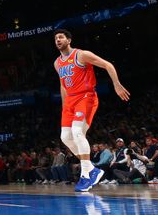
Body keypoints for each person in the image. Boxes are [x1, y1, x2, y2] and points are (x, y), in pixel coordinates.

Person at [53, 29, 130, 192]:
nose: (58, 40)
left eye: (61, 37)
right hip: (70, 101)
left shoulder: (81, 55)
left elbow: (107, 64)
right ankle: (91, 170)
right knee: (65, 137)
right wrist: (64, 105)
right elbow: (63, 84)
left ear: (69, 40)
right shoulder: (57, 63)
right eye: (56, 38)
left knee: (77, 132)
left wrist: (116, 84)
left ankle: (86, 174)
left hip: (86, 96)